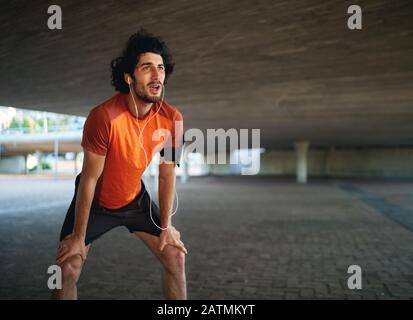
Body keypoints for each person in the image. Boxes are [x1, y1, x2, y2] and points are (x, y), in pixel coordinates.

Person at [53, 29, 187, 300]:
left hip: (135, 201)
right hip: (97, 204)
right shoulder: (103, 117)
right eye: (147, 67)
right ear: (129, 77)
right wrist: (79, 236)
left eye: (160, 68)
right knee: (68, 268)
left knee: (175, 256)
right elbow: (89, 179)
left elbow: (166, 175)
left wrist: (166, 226)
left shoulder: (173, 119)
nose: (157, 74)